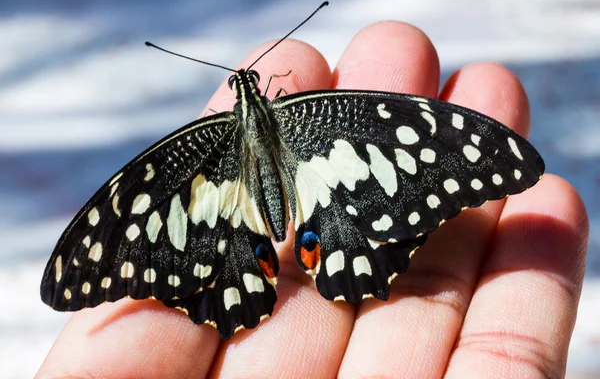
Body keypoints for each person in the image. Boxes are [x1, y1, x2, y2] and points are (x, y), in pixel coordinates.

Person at [37, 21, 588, 378]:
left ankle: (277, 266)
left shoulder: (198, 147)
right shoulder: (314, 116)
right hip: (309, 227)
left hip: (309, 226)